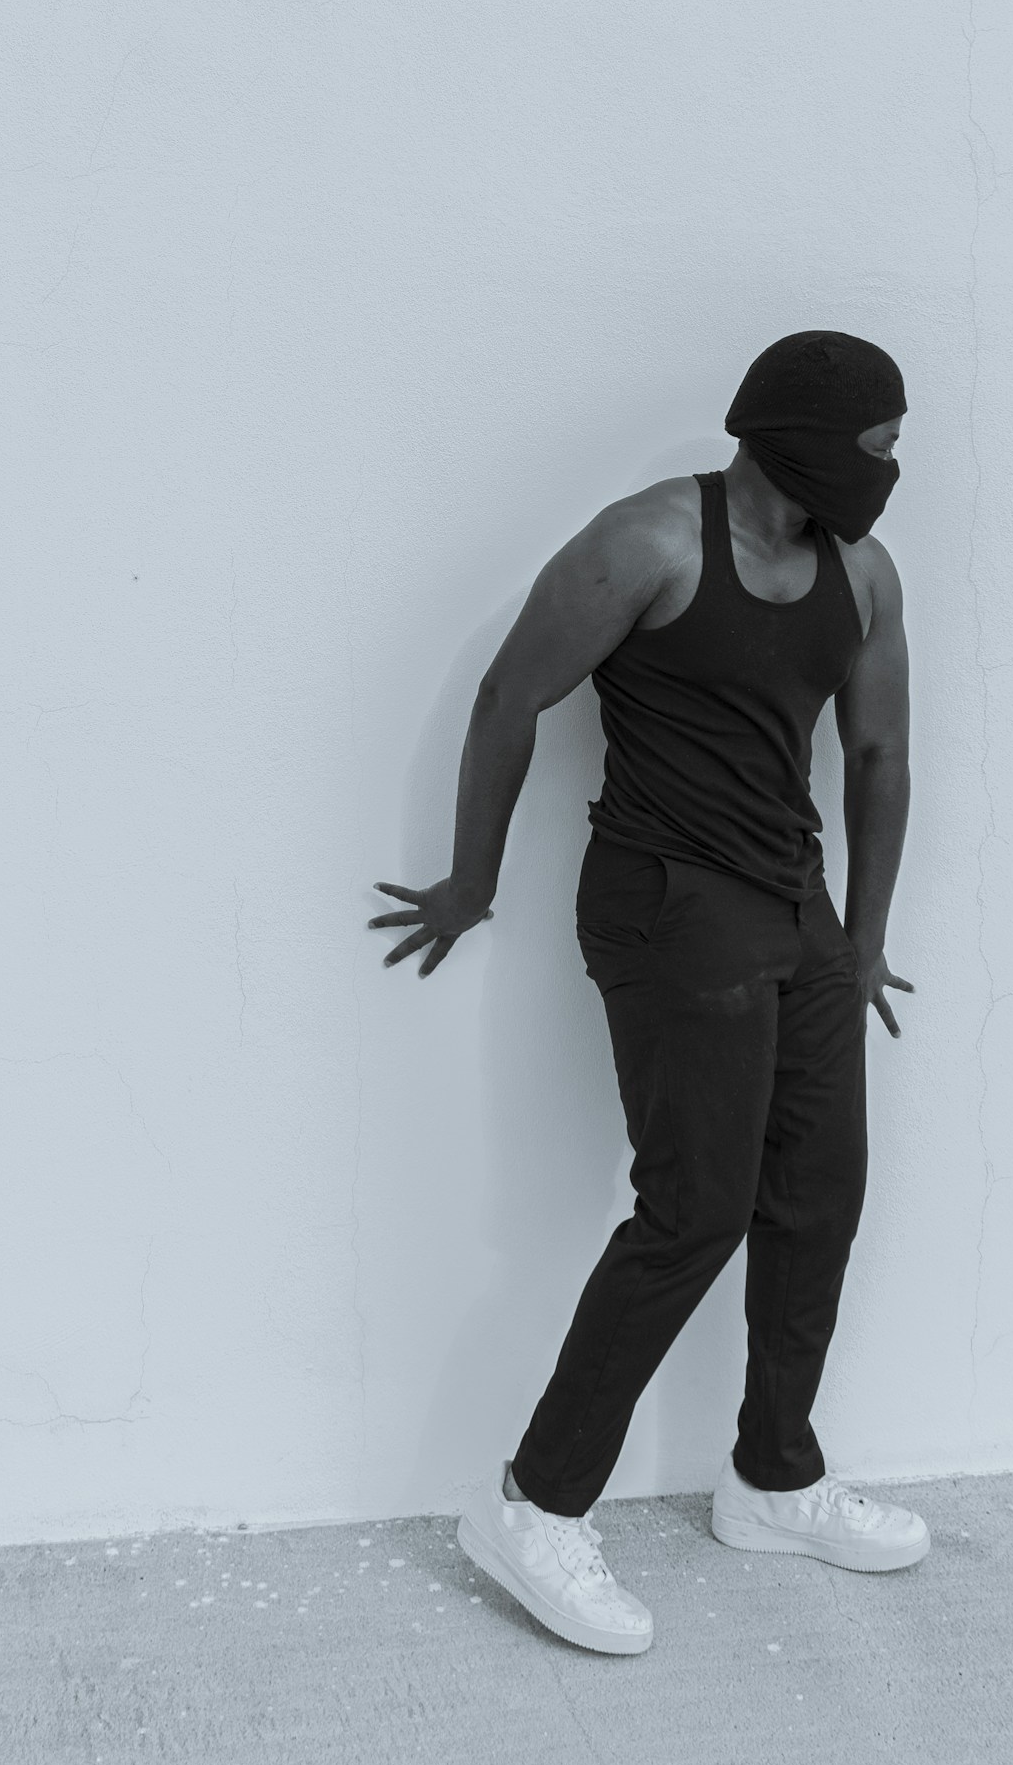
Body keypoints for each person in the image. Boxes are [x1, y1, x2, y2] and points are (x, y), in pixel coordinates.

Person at [371, 330, 929, 1657]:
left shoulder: (863, 574)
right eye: (877, 446)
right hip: (671, 902)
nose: (892, 471)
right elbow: (514, 694)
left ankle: (774, 1477)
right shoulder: (652, 543)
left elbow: (880, 751)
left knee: (821, 1192)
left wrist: (866, 937)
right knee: (696, 1209)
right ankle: (533, 1506)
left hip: (798, 910)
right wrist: (467, 882)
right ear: (796, 433)